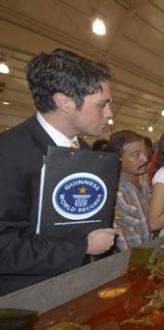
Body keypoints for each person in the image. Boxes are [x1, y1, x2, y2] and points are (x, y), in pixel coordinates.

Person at [0, 49, 116, 296]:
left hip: (78, 286)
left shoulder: (84, 152)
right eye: (102, 104)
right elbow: (4, 248)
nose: (109, 113)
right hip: (29, 299)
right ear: (64, 102)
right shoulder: (8, 153)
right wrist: (82, 246)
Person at [108, 130, 152, 251]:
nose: (144, 159)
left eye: (144, 152)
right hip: (127, 261)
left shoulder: (148, 179)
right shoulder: (111, 191)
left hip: (154, 253)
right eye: (135, 154)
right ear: (119, 158)